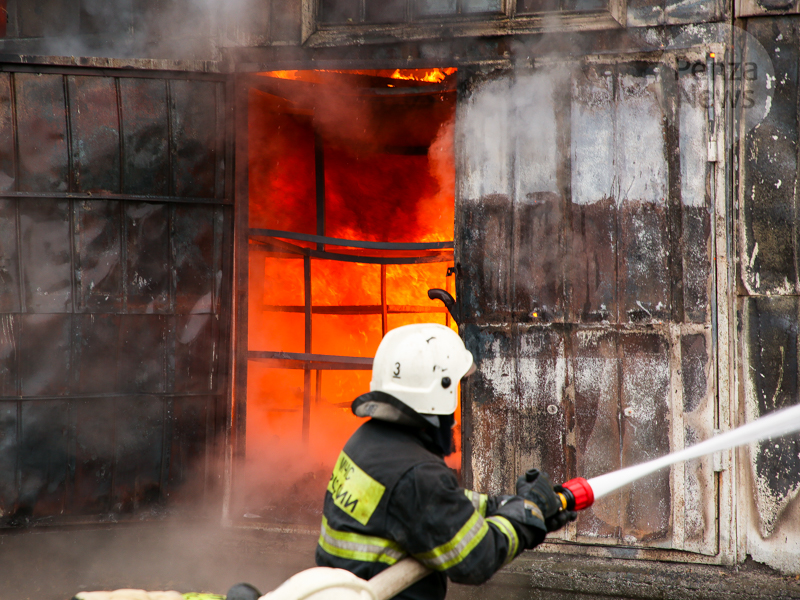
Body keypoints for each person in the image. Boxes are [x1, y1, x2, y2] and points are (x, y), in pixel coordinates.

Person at [315, 323, 577, 600]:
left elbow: (430, 505)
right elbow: (476, 557)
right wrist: (528, 517)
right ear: (440, 391)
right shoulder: (417, 474)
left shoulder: (367, 442)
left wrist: (510, 506)